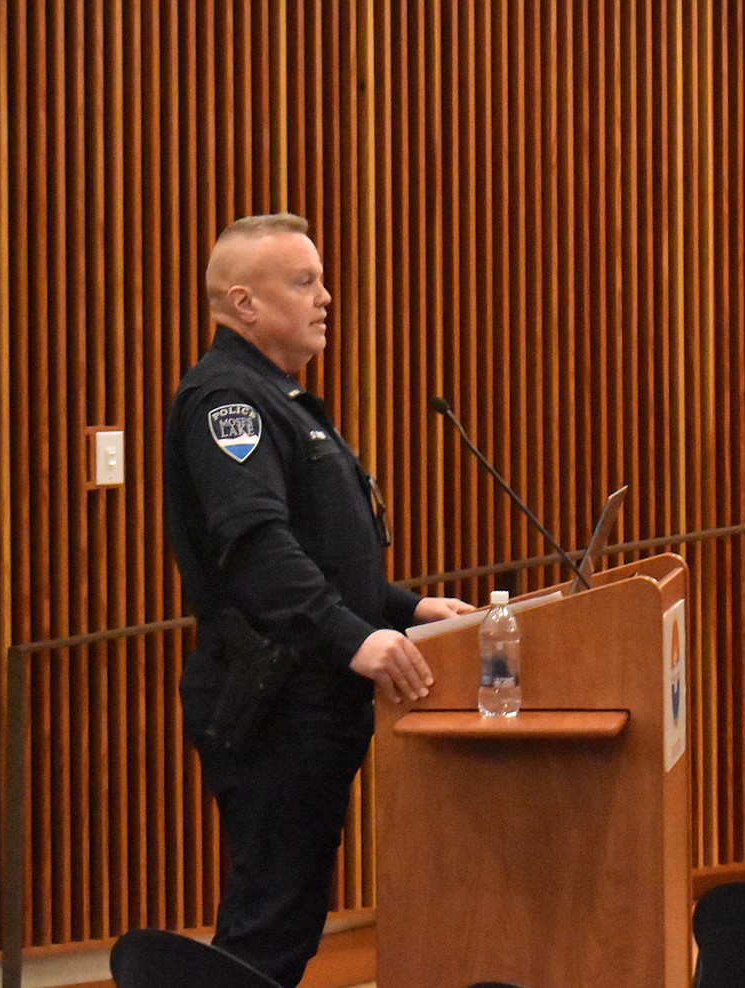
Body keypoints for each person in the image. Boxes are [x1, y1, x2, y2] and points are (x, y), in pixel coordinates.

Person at [163, 212, 473, 987]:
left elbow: (324, 556)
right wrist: (352, 637)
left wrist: (402, 610)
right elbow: (259, 549)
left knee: (285, 914)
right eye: (304, 283)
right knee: (270, 921)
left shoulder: (280, 397)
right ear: (244, 305)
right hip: (273, 694)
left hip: (307, 688)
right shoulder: (227, 403)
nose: (326, 297)